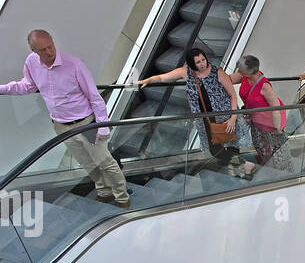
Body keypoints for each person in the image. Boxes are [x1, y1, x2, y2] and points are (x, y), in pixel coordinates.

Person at [0, 30, 129, 207]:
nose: (49, 52)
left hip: (86, 124)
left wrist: (103, 126)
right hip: (61, 126)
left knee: (106, 162)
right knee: (88, 163)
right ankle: (103, 192)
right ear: (33, 51)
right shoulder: (31, 63)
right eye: (43, 49)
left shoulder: (74, 65)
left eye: (50, 46)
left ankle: (122, 198)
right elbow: (27, 86)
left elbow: (94, 97)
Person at [139, 46, 254, 178]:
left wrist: (233, 117)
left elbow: (232, 95)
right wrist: (148, 80)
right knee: (214, 148)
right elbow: (163, 78)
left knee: (232, 140)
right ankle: (242, 165)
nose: (202, 64)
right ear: (192, 64)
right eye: (198, 62)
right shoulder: (186, 72)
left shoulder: (218, 72)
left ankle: (237, 167)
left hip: (225, 115)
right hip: (204, 118)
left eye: (203, 60)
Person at [228, 54, 295, 172]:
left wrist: (277, 128)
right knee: (263, 153)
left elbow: (275, 108)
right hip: (256, 124)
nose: (238, 71)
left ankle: (285, 178)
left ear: (249, 72)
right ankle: (269, 174)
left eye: (240, 70)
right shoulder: (244, 77)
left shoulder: (264, 86)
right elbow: (228, 79)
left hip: (270, 127)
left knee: (279, 156)